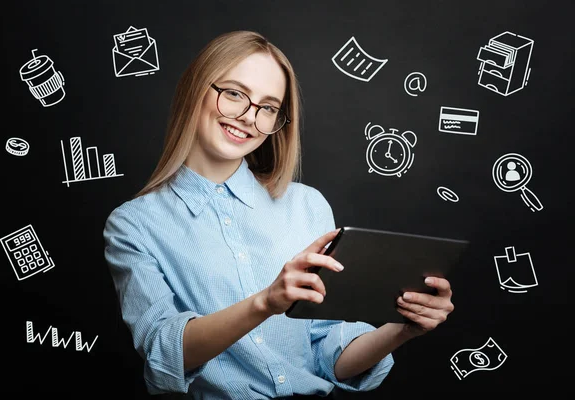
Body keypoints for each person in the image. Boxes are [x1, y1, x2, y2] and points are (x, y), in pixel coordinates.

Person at [103, 30, 455, 399]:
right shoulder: (133, 225)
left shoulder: (307, 206)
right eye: (235, 94)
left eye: (268, 107)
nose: (248, 117)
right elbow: (164, 351)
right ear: (195, 90)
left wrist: (403, 329)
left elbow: (327, 353)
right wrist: (265, 302)